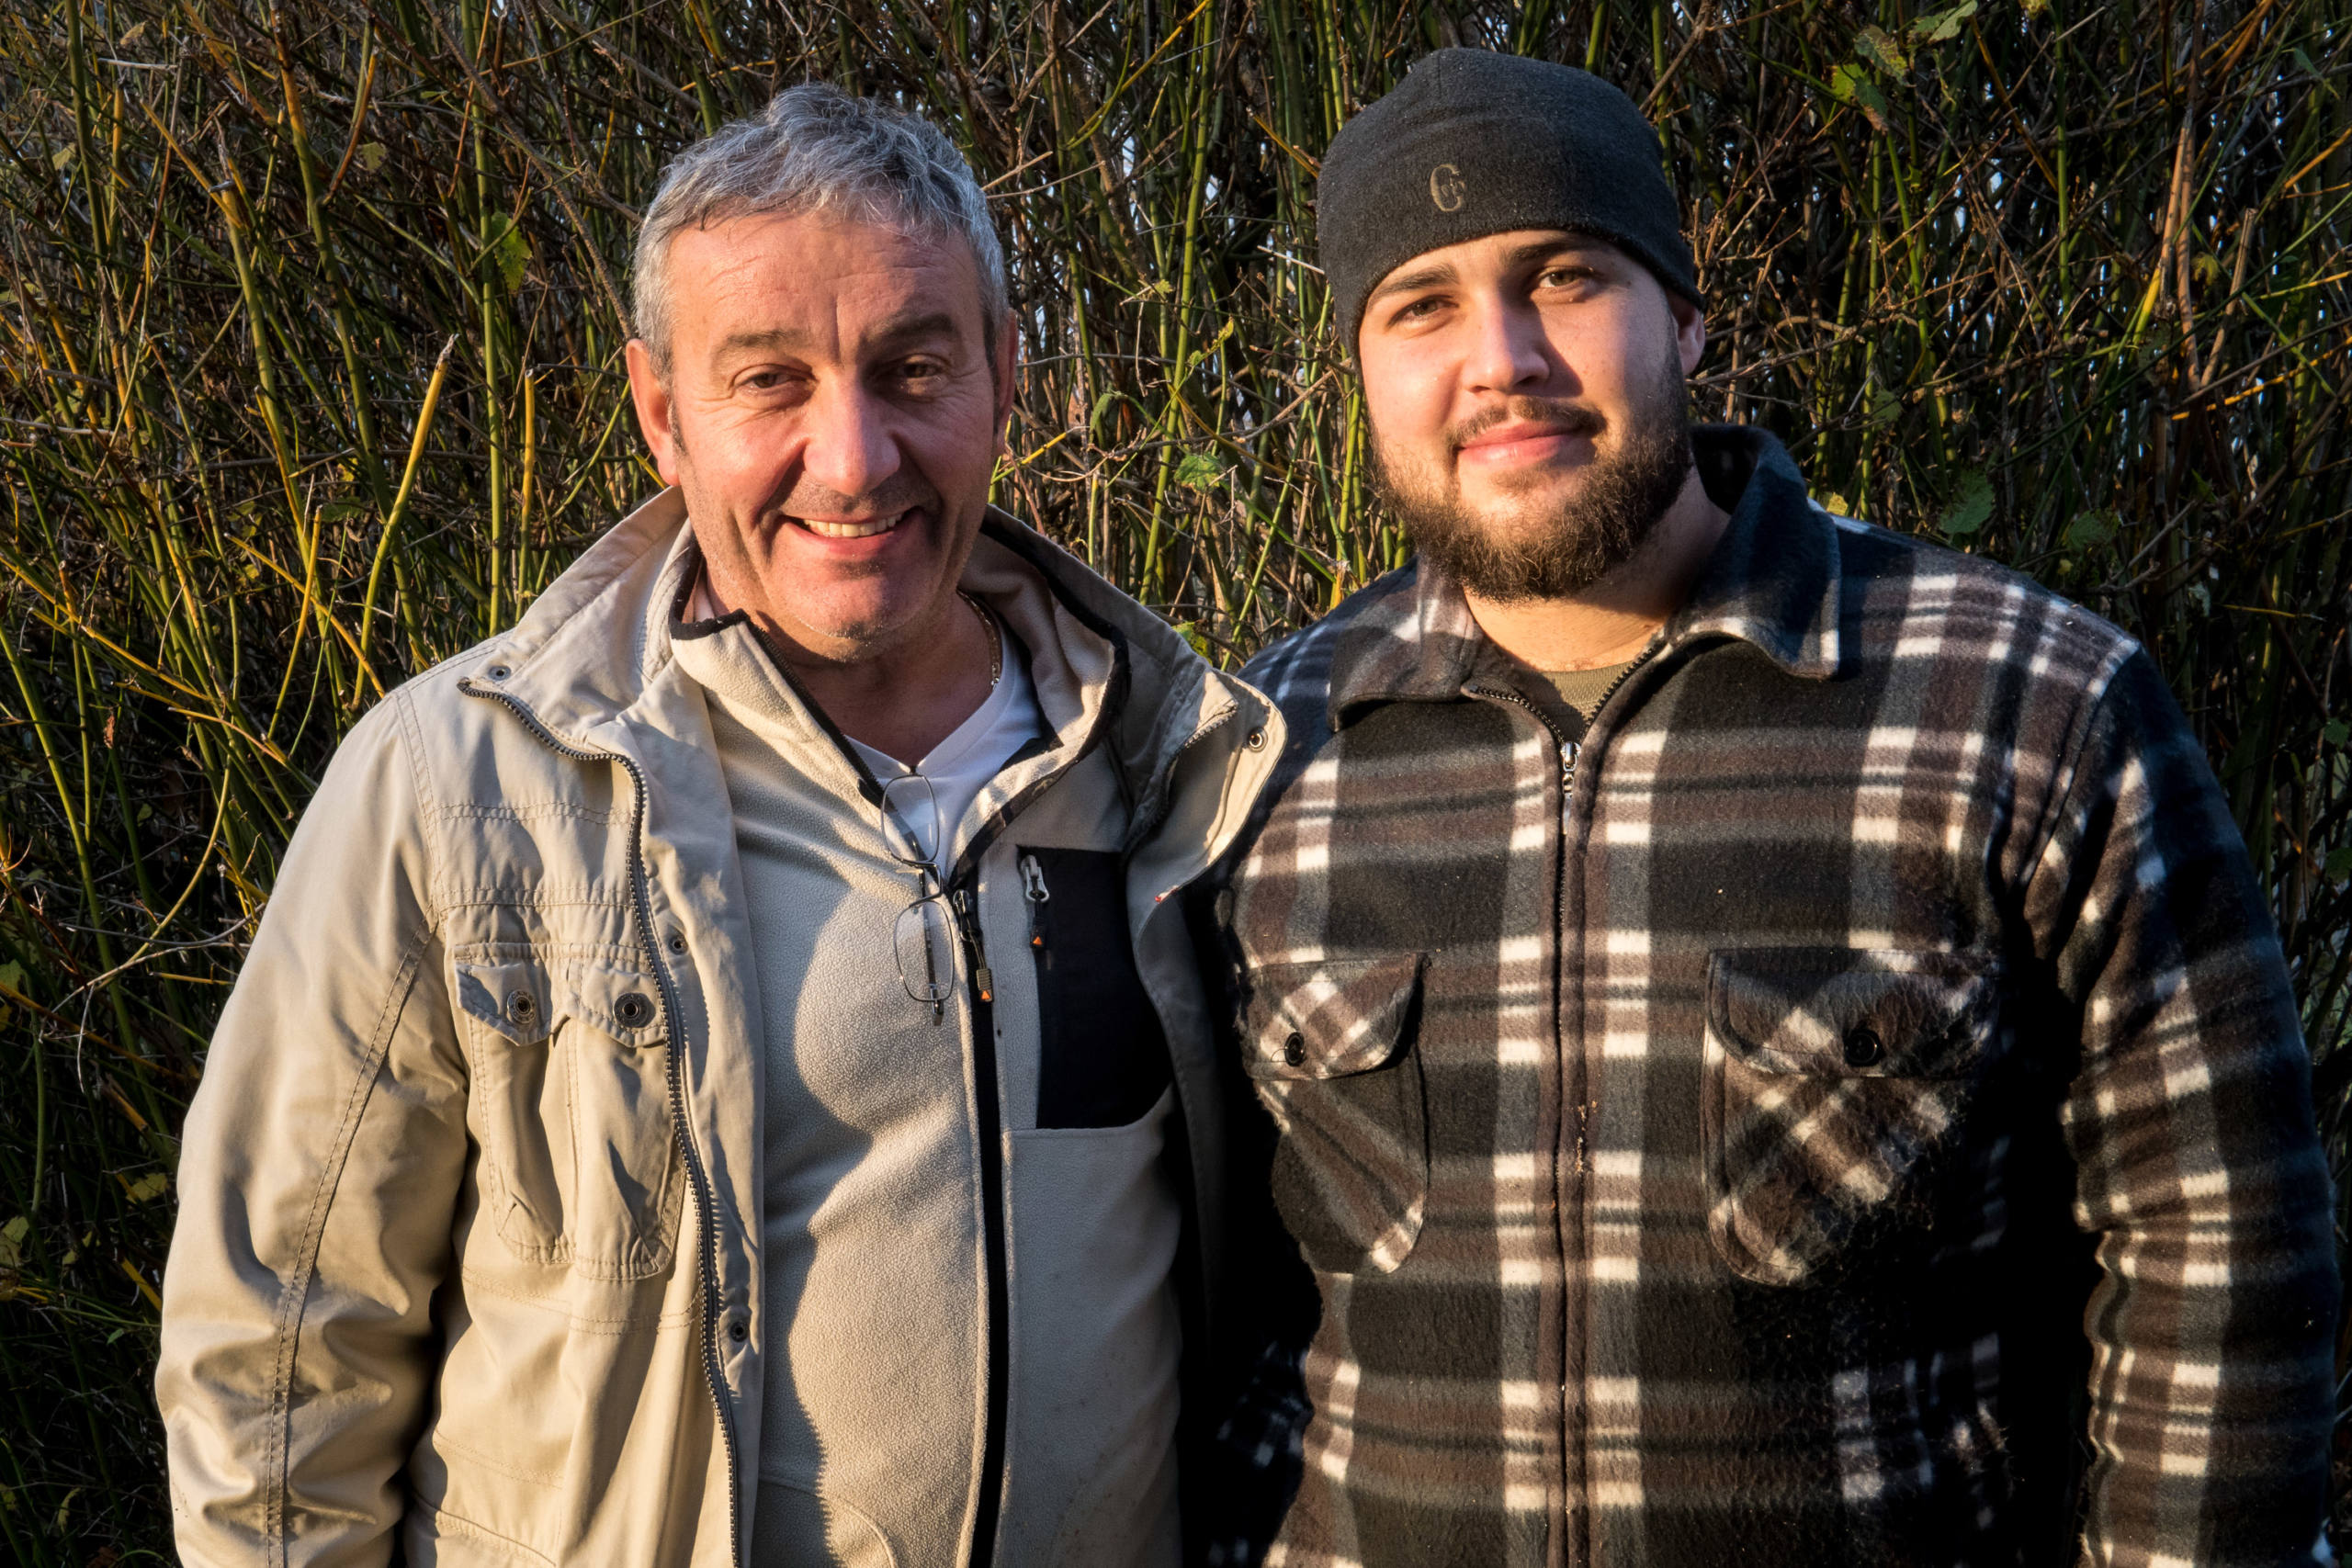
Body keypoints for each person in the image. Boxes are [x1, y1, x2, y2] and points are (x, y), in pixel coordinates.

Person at [1214, 48, 2337, 1567]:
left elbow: (2225, 1253)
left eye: (1564, 277)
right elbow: (1215, 1296)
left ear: (1683, 315)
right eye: (1421, 306)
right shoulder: (1261, 754)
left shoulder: (2025, 704)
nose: (1503, 359)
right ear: (1361, 371)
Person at [156, 84, 1283, 1567]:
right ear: (660, 412)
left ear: (1008, 377)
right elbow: (282, 1354)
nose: (855, 457)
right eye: (770, 381)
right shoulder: (463, 790)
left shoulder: (1180, 769)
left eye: (913, 366)